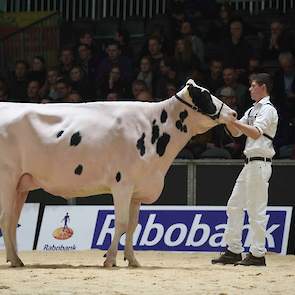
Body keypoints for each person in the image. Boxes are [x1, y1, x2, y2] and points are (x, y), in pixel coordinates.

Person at [212, 73, 278, 266]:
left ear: (263, 87)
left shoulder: (268, 110)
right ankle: (233, 250)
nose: (249, 89)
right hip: (249, 163)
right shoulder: (251, 110)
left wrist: (233, 122)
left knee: (256, 210)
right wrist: (226, 120)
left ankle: (257, 254)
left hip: (260, 163)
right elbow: (237, 132)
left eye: (253, 85)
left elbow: (256, 133)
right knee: (234, 205)